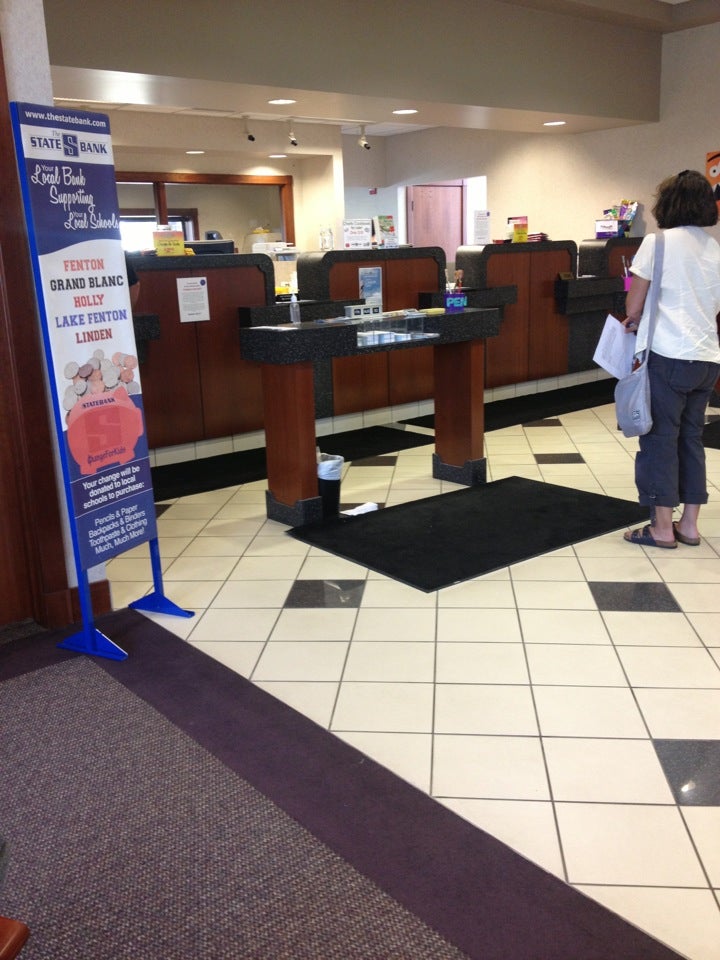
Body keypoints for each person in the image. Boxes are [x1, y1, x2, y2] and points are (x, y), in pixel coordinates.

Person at [623, 169, 720, 549]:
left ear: (668, 203)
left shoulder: (657, 243)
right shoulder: (715, 249)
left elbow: (633, 306)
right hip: (707, 358)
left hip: (668, 355)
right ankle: (689, 525)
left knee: (660, 439)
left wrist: (637, 318)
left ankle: (662, 528)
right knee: (691, 438)